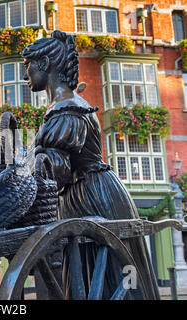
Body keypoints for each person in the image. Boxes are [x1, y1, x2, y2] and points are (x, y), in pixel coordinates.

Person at [21, 30, 160, 299]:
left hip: (92, 196)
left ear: (45, 64)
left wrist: (27, 168)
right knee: (90, 270)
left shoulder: (68, 109)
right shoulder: (63, 106)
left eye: (27, 66)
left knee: (105, 273)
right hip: (84, 193)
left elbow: (56, 172)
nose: (25, 76)